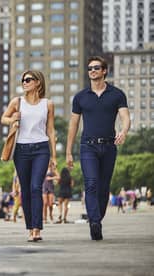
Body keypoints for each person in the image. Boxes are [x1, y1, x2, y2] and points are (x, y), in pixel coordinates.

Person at [66, 56, 130, 241]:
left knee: (103, 187)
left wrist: (124, 131)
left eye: (96, 68)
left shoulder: (117, 94)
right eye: (90, 68)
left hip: (109, 146)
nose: (92, 70)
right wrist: (69, 151)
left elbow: (125, 117)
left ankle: (97, 218)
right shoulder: (80, 97)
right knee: (91, 183)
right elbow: (73, 124)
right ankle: (95, 222)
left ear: (104, 71)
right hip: (88, 147)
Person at [1, 70, 57, 242]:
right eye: (23, 80)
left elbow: (50, 130)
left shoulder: (48, 104)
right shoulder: (17, 102)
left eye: (28, 80)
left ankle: (37, 228)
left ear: (38, 82)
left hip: (41, 149)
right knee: (25, 191)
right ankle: (29, 228)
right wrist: (12, 120)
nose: (24, 82)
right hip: (21, 150)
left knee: (35, 187)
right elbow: (4, 118)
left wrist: (54, 156)